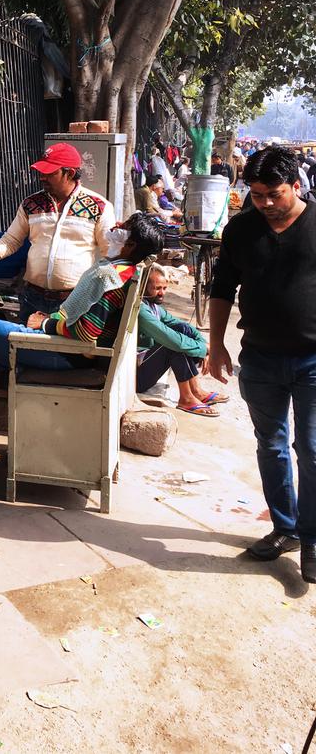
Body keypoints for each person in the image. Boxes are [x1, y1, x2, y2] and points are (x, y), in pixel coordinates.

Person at [0, 213, 164, 447]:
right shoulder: (121, 270)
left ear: (130, 244)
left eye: (124, 226)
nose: (116, 226)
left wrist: (44, 324)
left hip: (68, 354)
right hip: (68, 349)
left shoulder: (110, 277)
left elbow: (86, 333)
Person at [208, 146, 316, 584]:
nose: (267, 204)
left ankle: (312, 538)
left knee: (311, 450)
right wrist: (215, 346)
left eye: (274, 194)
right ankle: (285, 529)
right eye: (257, 195)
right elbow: (221, 290)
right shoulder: (240, 231)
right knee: (270, 445)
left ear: (295, 185)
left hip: (313, 361)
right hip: (260, 359)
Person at [0, 142, 115, 323]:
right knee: (26, 349)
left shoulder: (99, 207)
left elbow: (109, 255)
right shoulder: (31, 204)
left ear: (69, 173)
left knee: (66, 351)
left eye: (50, 173)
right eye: (41, 172)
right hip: (33, 298)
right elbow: (10, 241)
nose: (42, 177)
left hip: (74, 301)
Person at [137, 264, 227, 417]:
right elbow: (173, 341)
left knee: (183, 332)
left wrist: (204, 345)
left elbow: (183, 326)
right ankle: (186, 398)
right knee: (173, 345)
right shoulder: (140, 309)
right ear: (144, 286)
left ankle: (196, 391)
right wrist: (204, 349)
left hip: (144, 367)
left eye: (164, 288)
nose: (161, 293)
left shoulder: (153, 306)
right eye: (157, 288)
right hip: (135, 378)